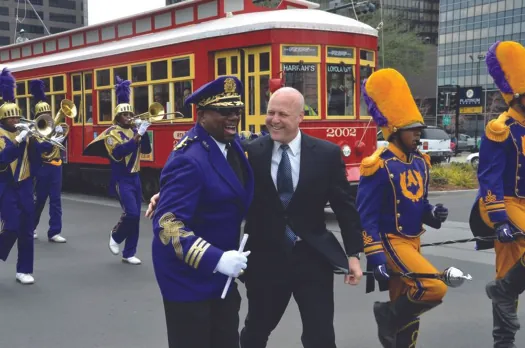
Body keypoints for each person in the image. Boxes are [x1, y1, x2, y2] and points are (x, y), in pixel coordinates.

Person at [145, 86, 363, 348]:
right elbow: (206, 176)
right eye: (270, 112)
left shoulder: (326, 154)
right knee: (254, 333)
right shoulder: (249, 151)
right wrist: (164, 195)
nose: (274, 119)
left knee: (321, 336)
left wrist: (353, 254)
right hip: (265, 261)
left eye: (283, 113)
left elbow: (344, 206)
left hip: (312, 259)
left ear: (300, 117)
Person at [150, 76, 253, 348]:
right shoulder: (188, 159)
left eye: (237, 111)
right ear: (203, 114)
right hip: (189, 279)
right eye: (224, 111)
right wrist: (216, 259)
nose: (233, 117)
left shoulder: (230, 144)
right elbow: (167, 226)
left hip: (222, 276)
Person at [356, 68, 450, 347]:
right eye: (413, 131)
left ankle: (393, 323)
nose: (418, 136)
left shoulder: (421, 162)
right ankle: (386, 314)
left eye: (419, 130)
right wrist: (375, 259)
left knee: (409, 306)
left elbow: (418, 204)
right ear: (395, 131)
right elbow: (366, 218)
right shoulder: (378, 164)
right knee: (434, 287)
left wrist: (432, 213)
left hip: (414, 242)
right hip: (391, 243)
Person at [469, 40, 525, 347]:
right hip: (504, 203)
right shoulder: (500, 128)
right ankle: (503, 339)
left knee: (508, 279)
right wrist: (500, 218)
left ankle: (504, 332)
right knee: (506, 276)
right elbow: (488, 178)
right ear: (517, 97)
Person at [83, 76, 151, 265]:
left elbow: (146, 151)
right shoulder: (111, 134)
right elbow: (119, 153)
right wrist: (137, 135)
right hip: (122, 178)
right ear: (118, 117)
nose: (130, 117)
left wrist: (144, 134)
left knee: (136, 216)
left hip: (136, 177)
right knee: (131, 213)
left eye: (131, 114)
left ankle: (129, 253)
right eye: (126, 115)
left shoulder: (135, 131)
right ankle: (115, 235)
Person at [0, 68, 59, 284]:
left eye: (17, 115)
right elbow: (4, 157)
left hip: (25, 184)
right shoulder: (2, 135)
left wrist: (45, 138)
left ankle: (23, 269)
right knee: (12, 225)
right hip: (6, 185)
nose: (16, 119)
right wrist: (19, 139)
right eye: (11, 117)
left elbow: (40, 154)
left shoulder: (25, 132)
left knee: (26, 228)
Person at [31, 79, 67, 243]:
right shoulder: (34, 130)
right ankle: (31, 227)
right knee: (40, 200)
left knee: (56, 200)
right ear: (37, 116)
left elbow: (60, 146)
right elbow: (41, 149)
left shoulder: (53, 125)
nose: (46, 116)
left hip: (56, 166)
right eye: (42, 114)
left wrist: (61, 136)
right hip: (43, 167)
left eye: (48, 114)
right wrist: (53, 137)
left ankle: (54, 231)